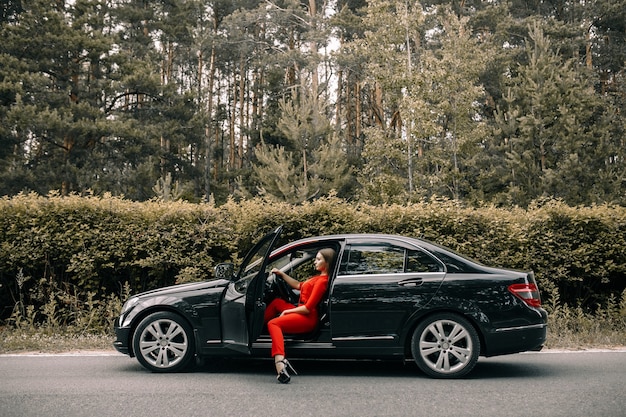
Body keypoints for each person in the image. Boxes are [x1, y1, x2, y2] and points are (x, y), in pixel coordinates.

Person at [264, 248, 335, 383]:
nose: (315, 262)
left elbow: (308, 308)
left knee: (273, 323)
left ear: (327, 263)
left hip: (307, 319)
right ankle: (254, 331)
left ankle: (280, 362)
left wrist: (288, 312)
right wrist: (281, 273)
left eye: (318, 259)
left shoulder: (322, 282)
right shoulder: (318, 278)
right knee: (277, 303)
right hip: (301, 310)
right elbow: (298, 285)